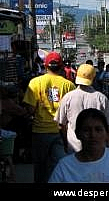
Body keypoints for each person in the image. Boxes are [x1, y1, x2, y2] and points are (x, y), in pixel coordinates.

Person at [22, 51, 76, 183]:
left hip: (39, 132)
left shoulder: (35, 83)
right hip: (61, 132)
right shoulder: (69, 85)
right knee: (59, 165)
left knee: (40, 168)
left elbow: (30, 109)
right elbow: (72, 111)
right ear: (61, 66)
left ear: (45, 66)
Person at [49, 108, 109, 183]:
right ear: (77, 134)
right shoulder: (65, 166)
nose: (93, 135)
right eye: (86, 130)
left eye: (98, 130)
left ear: (107, 133)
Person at [54, 64, 109, 153]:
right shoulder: (101, 98)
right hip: (97, 146)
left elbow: (61, 124)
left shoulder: (68, 97)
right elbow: (107, 125)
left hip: (74, 146)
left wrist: (65, 143)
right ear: (93, 78)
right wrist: (108, 143)